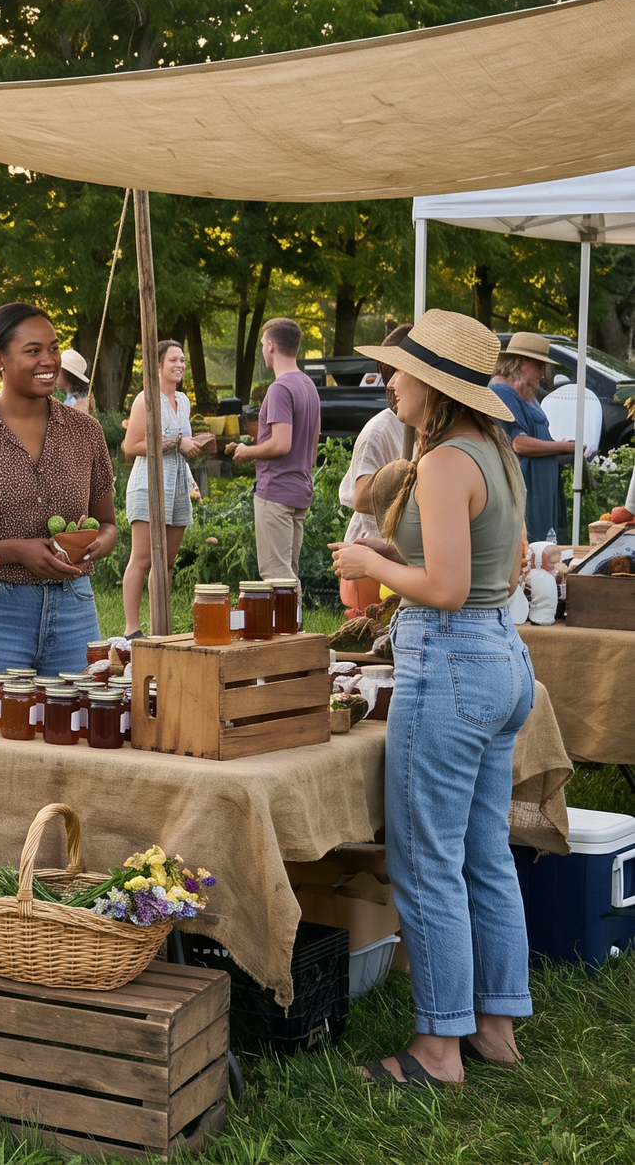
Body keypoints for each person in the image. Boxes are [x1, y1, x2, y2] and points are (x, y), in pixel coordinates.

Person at [328, 310, 534, 1091]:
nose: (389, 382)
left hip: (450, 663)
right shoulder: (496, 450)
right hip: (501, 656)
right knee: (486, 852)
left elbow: (445, 588)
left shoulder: (445, 461)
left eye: (400, 372)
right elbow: (499, 568)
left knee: (426, 860)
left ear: (435, 386)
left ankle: (438, 1049)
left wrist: (368, 564)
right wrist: (395, 550)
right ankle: (495, 1027)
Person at [0, 302, 118, 679]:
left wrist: (92, 546)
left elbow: (108, 525)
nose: (48, 360)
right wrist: (15, 551)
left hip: (74, 611)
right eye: (33, 351)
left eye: (53, 348)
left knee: (77, 716)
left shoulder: (85, 432)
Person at [118, 340, 206, 635]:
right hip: (148, 484)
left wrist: (190, 475)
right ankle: (132, 629)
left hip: (178, 485)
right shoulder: (146, 399)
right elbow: (132, 446)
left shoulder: (184, 401)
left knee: (166, 562)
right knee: (143, 559)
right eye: (173, 360)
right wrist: (177, 444)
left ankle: (160, 628)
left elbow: (184, 444)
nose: (180, 365)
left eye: (182, 360)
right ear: (157, 366)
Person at [224, 318, 320, 583]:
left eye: (262, 345)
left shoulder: (280, 388)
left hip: (276, 490)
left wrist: (247, 451)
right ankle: (294, 614)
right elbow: (313, 446)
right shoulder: (308, 385)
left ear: (271, 346)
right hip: (299, 490)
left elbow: (281, 443)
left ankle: (290, 615)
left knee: (276, 575)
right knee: (288, 573)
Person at [339, 324, 414, 609]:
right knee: (369, 626)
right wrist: (407, 479)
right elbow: (360, 498)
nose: (392, 385)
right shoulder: (379, 430)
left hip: (399, 555)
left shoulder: (424, 427)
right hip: (372, 554)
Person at [492, 333, 572, 547]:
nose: (542, 372)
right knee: (533, 551)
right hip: (529, 490)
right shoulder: (502, 391)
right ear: (519, 362)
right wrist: (563, 446)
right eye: (538, 365)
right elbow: (519, 443)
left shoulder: (525, 392)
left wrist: (564, 448)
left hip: (540, 489)